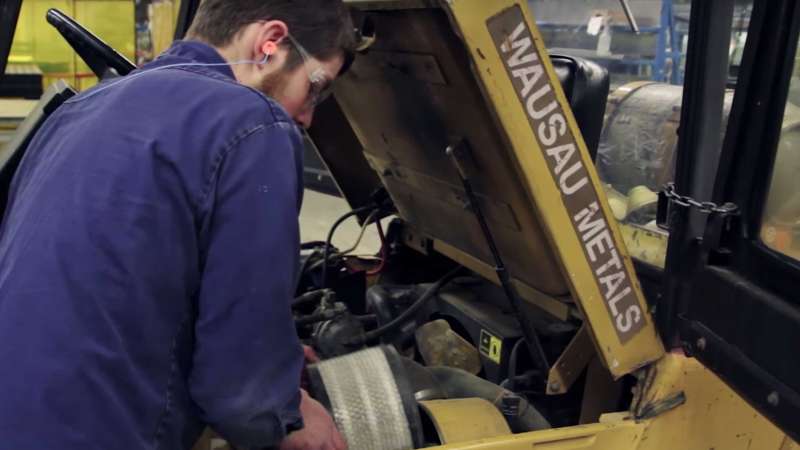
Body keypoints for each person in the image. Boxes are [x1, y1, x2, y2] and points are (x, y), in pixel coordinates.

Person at [0, 1, 356, 449]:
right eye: (316, 88)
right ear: (271, 42)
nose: (307, 116)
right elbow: (242, 395)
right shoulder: (251, 122)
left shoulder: (84, 107)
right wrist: (287, 414)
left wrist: (278, 355)